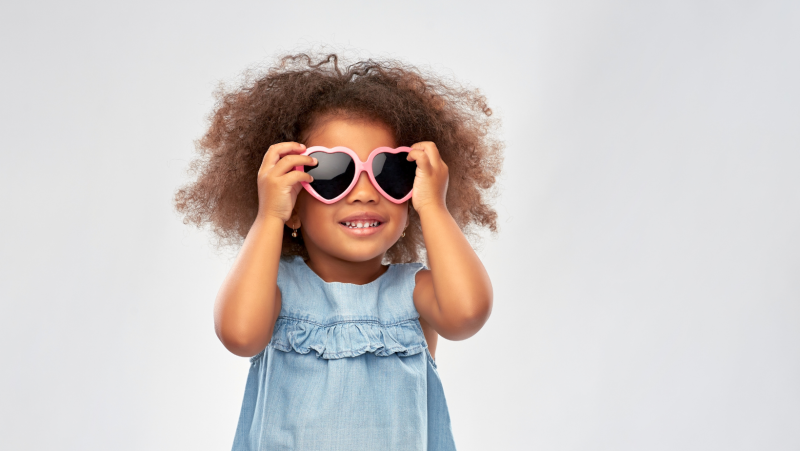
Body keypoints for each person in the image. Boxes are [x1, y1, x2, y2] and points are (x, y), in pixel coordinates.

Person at [174, 52, 503, 450]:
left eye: (388, 173)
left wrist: (434, 206)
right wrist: (268, 217)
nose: (364, 194)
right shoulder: (278, 290)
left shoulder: (413, 294)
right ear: (294, 203)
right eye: (333, 174)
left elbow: (468, 313)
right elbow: (240, 335)